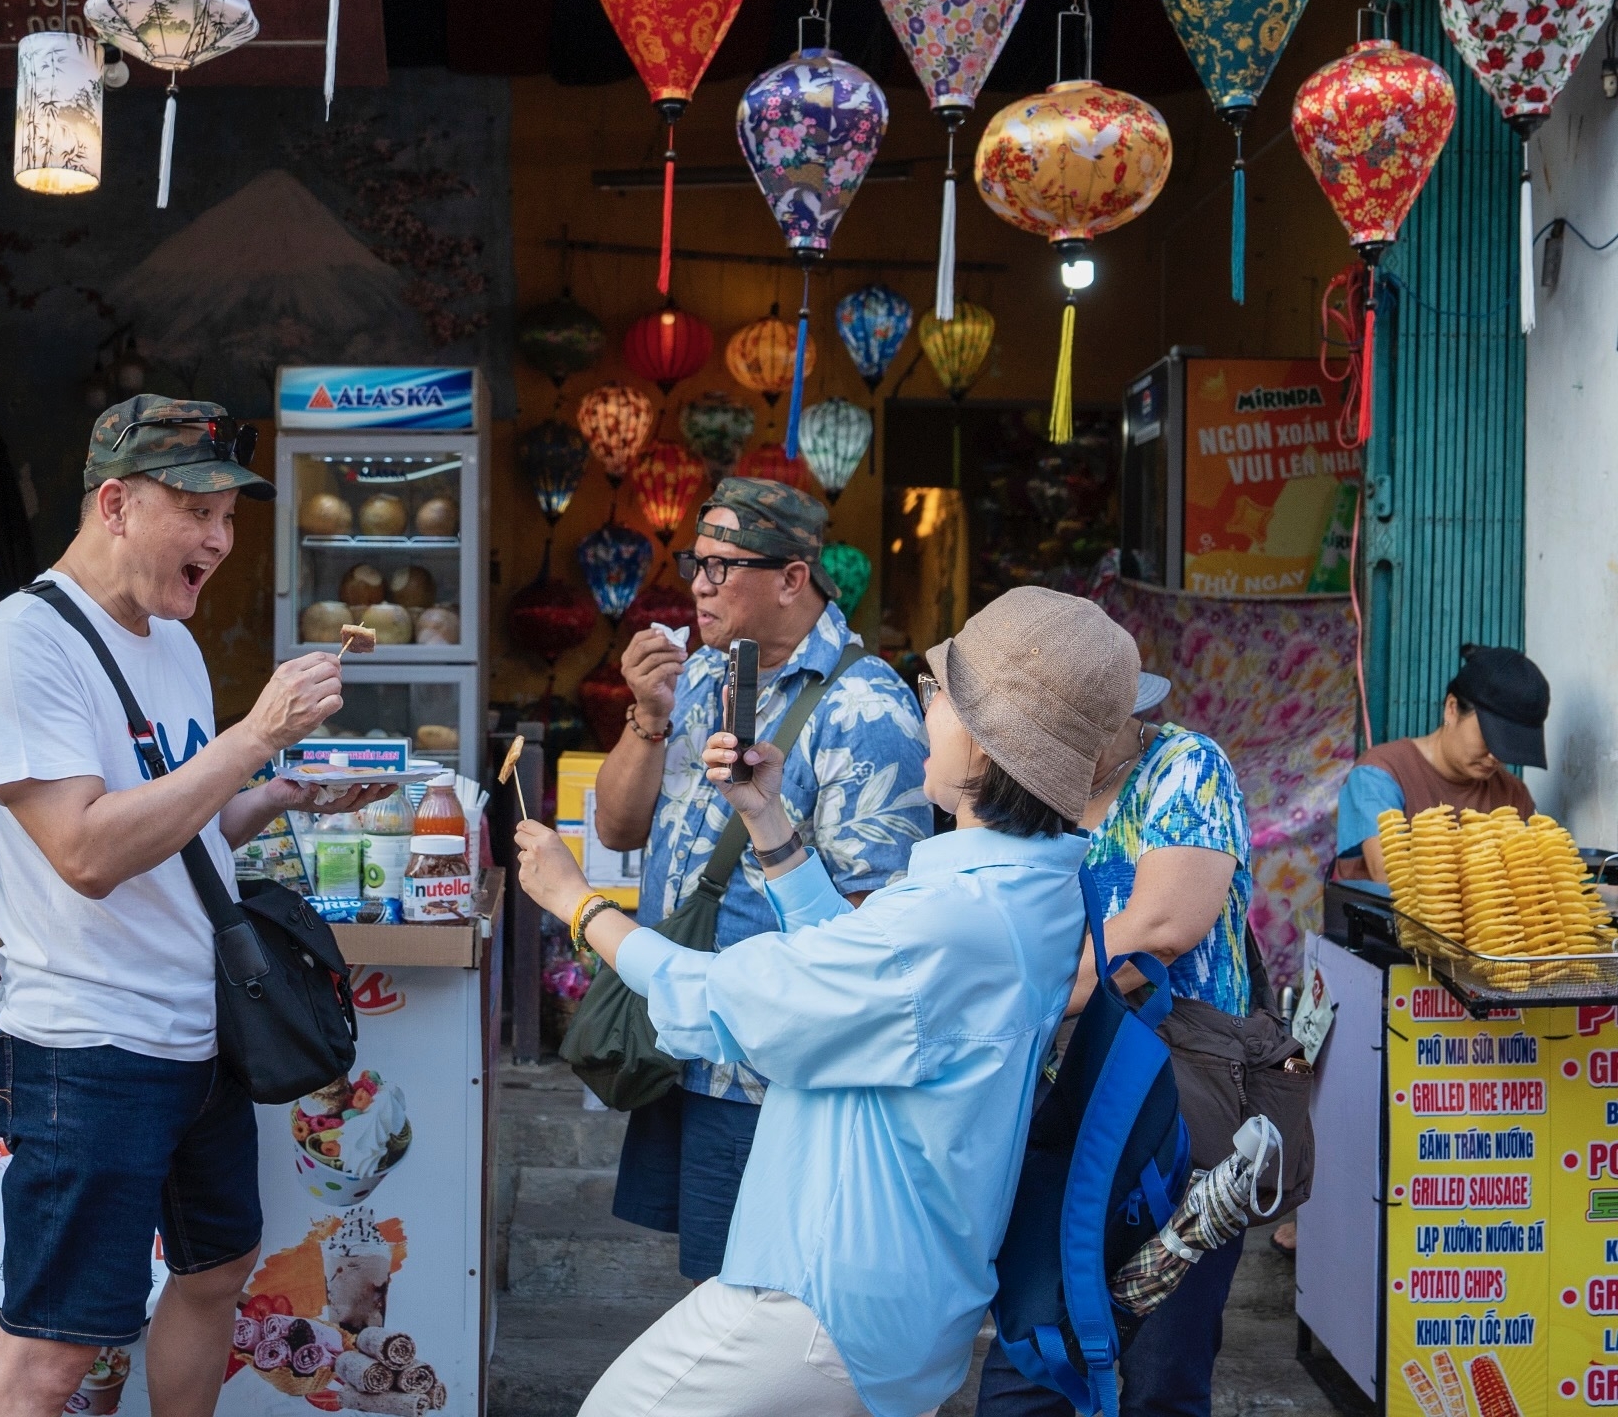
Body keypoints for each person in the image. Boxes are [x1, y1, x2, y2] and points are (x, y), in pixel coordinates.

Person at [513, 585, 1140, 1417]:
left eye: (939, 693)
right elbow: (858, 975)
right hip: (900, 1296)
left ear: (988, 748)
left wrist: (576, 903)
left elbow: (726, 1003)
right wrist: (771, 826)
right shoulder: (1030, 888)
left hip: (823, 1304)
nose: (926, 708)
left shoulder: (957, 918)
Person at [0, 396, 395, 1417]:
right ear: (115, 502)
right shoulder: (24, 643)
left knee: (214, 1272)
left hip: (197, 1036)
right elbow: (87, 849)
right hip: (88, 1048)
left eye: (231, 518)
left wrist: (280, 792)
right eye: (199, 510)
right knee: (54, 1348)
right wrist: (252, 736)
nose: (221, 539)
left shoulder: (174, 643)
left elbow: (174, 834)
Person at [589, 476, 931, 1280]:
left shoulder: (865, 710)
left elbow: (872, 931)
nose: (697, 586)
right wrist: (647, 713)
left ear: (791, 578)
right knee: (712, 1287)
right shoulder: (704, 674)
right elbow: (617, 827)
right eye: (694, 563)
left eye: (722, 567)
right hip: (690, 1042)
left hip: (773, 1079)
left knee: (755, 1301)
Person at [974, 670, 1258, 1417]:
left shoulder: (1185, 766)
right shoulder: (1030, 789)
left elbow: (1160, 930)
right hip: (1057, 1105)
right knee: (1029, 1352)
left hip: (1174, 1105)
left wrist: (1012, 1007)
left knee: (1164, 1369)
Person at [1336, 644, 1548, 882]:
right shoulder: (1379, 775)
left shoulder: (1512, 794)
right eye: (1490, 738)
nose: (1495, 757)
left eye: (1510, 746)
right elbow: (1388, 876)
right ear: (1451, 709)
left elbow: (1535, 879)